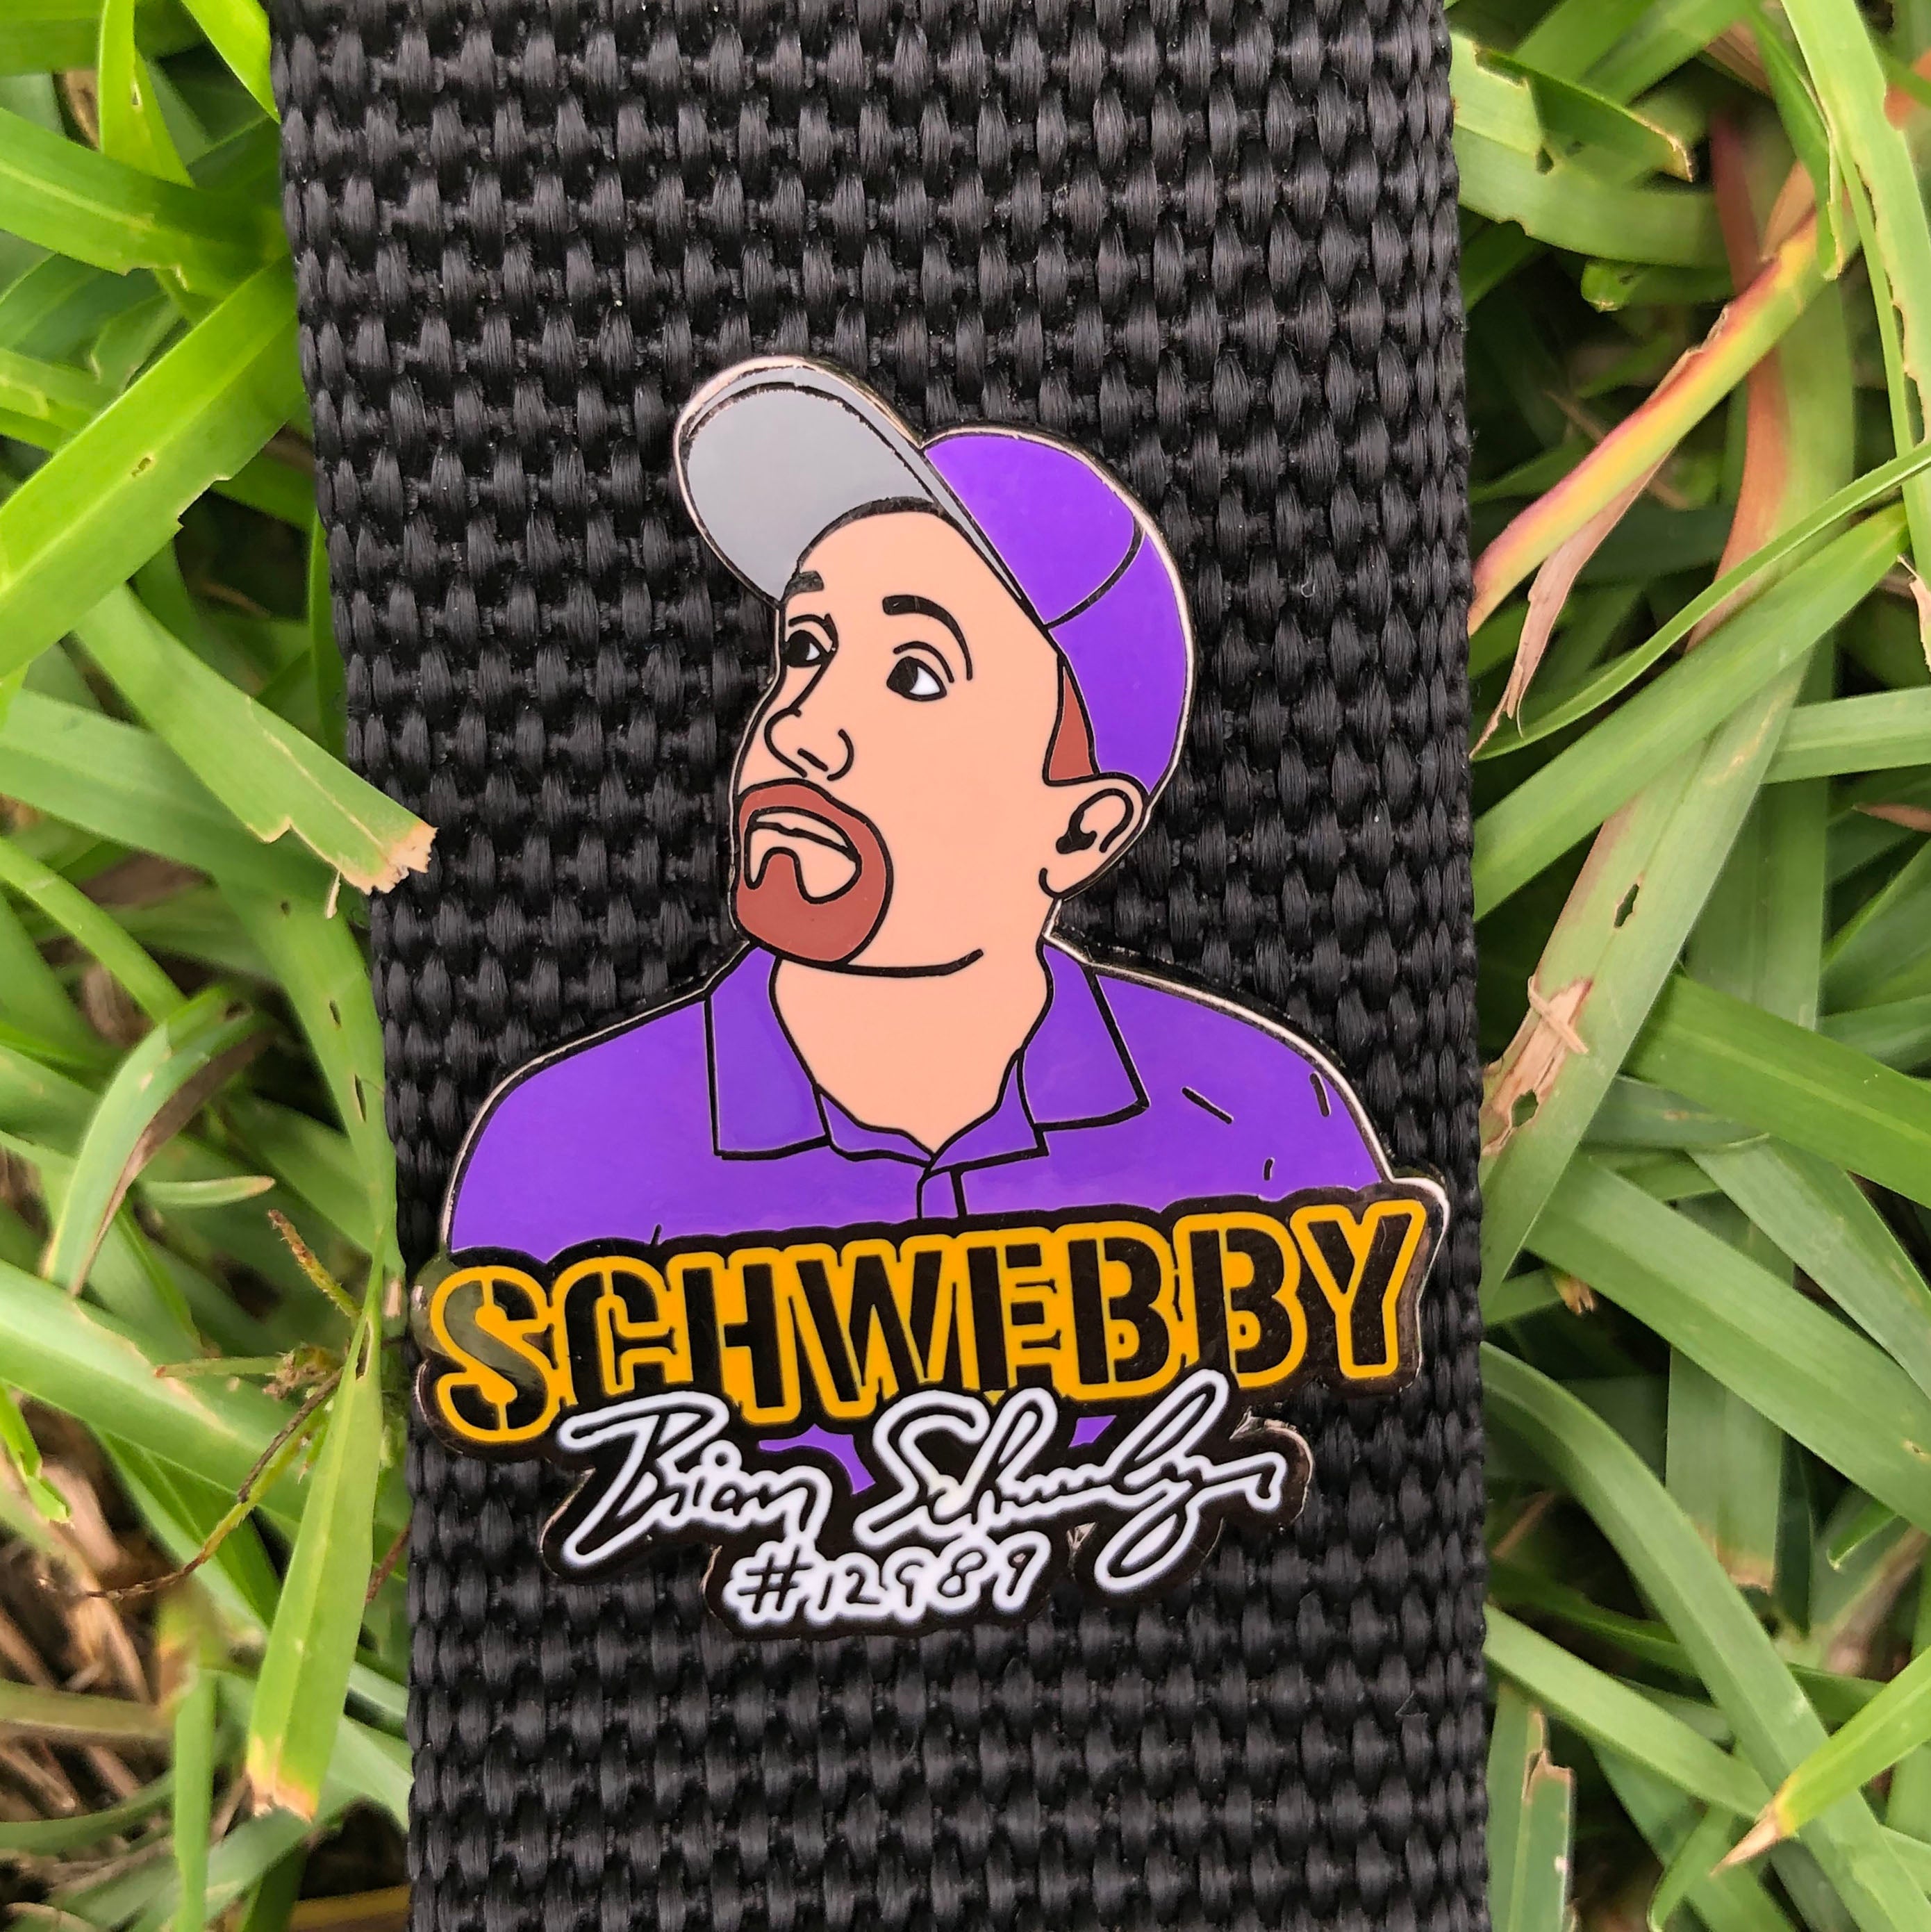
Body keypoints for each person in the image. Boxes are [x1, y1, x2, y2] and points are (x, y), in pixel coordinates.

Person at [446, 357, 1389, 1262]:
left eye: (915, 674)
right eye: (807, 647)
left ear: (1081, 829)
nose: (799, 727)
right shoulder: (565, 1147)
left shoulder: (1261, 1127)